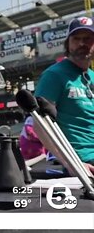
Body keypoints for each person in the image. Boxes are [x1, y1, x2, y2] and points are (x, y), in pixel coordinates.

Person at [35, 16, 94, 174]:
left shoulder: (92, 76)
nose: (82, 43)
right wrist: (71, 164)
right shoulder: (54, 75)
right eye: (76, 38)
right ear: (68, 43)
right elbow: (41, 125)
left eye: (88, 39)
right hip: (81, 161)